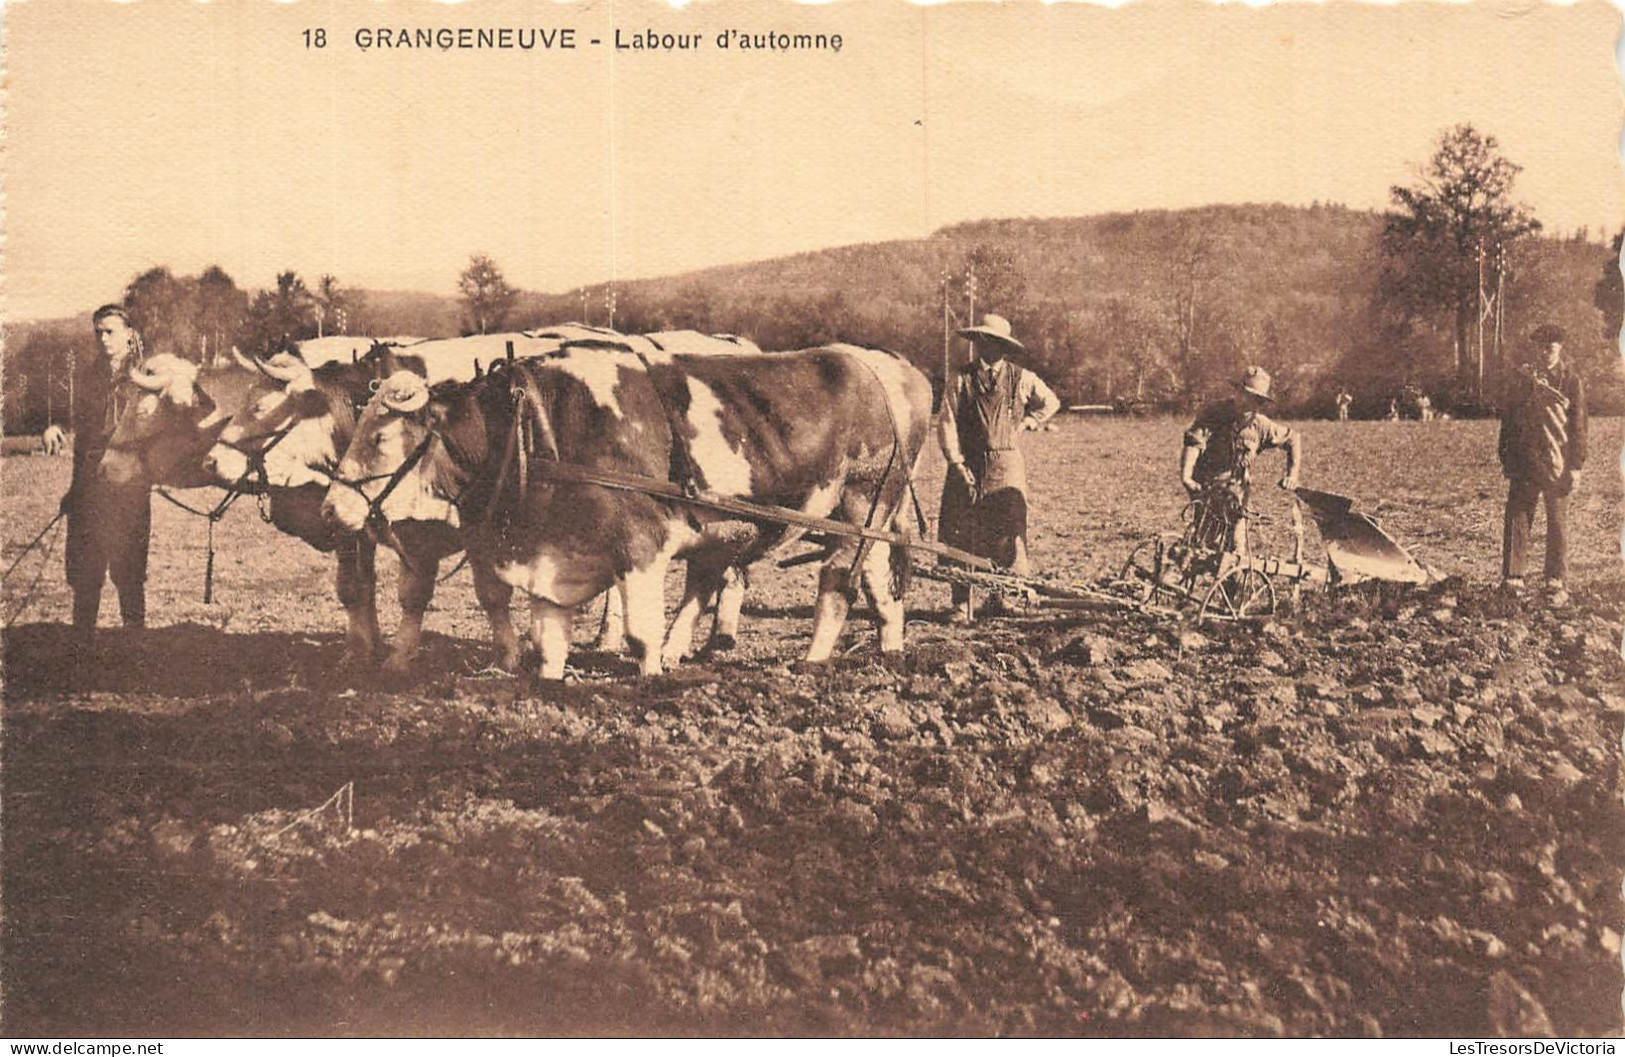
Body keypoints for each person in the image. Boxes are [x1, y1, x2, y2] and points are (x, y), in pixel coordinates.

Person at [937, 313, 1060, 621]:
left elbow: (1051, 402)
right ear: (978, 343)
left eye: (995, 343)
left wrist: (1030, 421)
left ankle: (1002, 597)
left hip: (1007, 463)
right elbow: (947, 422)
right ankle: (960, 604)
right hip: (969, 461)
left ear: (1004, 347)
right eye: (983, 341)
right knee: (959, 529)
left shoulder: (1022, 378)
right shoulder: (961, 378)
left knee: (1008, 529)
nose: (988, 348)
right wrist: (956, 462)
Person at [41, 305, 152, 636]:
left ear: (129, 334)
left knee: (129, 565)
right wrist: (54, 425)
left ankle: (134, 645)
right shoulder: (90, 376)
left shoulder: (147, 375)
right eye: (98, 332)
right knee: (85, 567)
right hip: (88, 487)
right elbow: (68, 414)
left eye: (110, 331)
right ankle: (82, 645)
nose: (103, 339)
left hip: (129, 487)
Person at [1498, 323, 1586, 604]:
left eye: (1551, 346)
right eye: (1541, 346)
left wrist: (1576, 466)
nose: (1546, 351)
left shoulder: (1570, 381)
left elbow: (1579, 426)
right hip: (1525, 458)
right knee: (1518, 516)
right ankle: (1513, 576)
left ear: (1560, 348)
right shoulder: (1522, 379)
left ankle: (1555, 579)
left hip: (1558, 459)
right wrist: (1507, 456)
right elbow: (1509, 420)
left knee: (1557, 520)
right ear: (1535, 348)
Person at [1179, 366, 1301, 558]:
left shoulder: (1261, 425)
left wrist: (1292, 474)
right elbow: (1194, 442)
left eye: (1255, 399)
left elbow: (1293, 439)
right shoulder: (1214, 413)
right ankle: (1176, 574)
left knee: (1235, 552)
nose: (1247, 401)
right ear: (1236, 392)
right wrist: (1186, 475)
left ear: (1260, 402)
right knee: (1199, 545)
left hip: (1238, 496)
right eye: (1244, 394)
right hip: (1207, 488)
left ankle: (1233, 583)